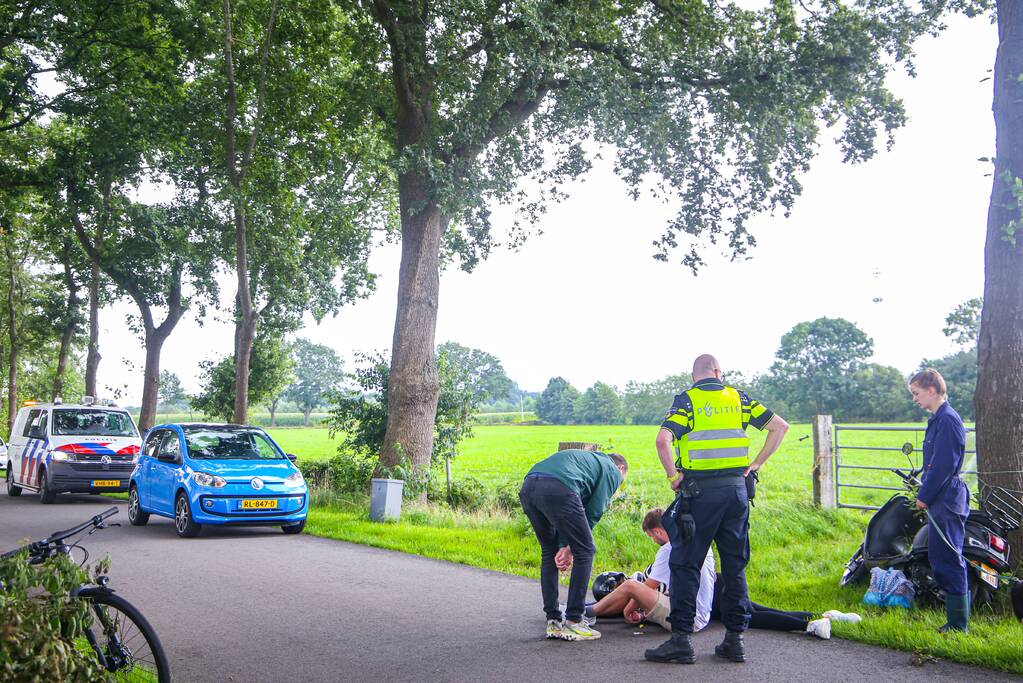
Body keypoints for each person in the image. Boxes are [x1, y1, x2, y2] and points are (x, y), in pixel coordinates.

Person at [646, 354, 789, 665]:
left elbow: (662, 440)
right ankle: (734, 640)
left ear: (695, 376)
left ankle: (681, 641)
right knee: (735, 566)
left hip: (699, 495)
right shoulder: (740, 399)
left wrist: (673, 478)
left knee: (685, 565)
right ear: (718, 372)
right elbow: (780, 427)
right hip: (737, 492)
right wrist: (755, 465)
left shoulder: (687, 401)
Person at [589, 509, 856, 639]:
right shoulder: (692, 540)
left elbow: (649, 585)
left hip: (705, 602)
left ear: (657, 531)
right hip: (716, 586)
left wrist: (627, 610)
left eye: (650, 536)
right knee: (756, 610)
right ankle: (823, 618)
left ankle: (808, 624)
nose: (651, 540)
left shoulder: (664, 553)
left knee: (752, 617)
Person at [519, 448, 628, 641]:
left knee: (549, 552)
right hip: (558, 487)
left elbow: (569, 514)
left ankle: (553, 620)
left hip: (529, 485)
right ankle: (574, 620)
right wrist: (571, 547)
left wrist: (564, 545)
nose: (618, 486)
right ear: (620, 468)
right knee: (585, 550)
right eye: (622, 480)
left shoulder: (590, 462)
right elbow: (593, 511)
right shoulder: (611, 470)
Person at [909, 368, 970, 633]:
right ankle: (955, 621)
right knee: (940, 555)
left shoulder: (948, 420)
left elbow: (944, 465)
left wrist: (924, 496)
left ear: (932, 390)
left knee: (948, 556)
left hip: (947, 495)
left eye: (916, 393)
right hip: (941, 494)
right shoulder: (937, 419)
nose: (915, 399)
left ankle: (959, 625)